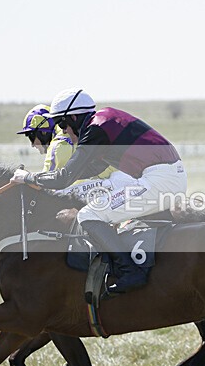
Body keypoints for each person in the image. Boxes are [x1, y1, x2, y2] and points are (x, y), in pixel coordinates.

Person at [11, 88, 187, 294]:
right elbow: (94, 168)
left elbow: (64, 178)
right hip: (167, 177)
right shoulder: (104, 121)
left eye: (61, 123)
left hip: (160, 181)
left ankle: (130, 271)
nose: (63, 131)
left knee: (88, 214)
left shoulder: (96, 128)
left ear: (74, 117)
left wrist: (28, 178)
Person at [17, 104, 74, 171]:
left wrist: (25, 177)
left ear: (43, 133)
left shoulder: (57, 147)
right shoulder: (72, 135)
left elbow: (46, 180)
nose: (32, 145)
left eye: (31, 137)